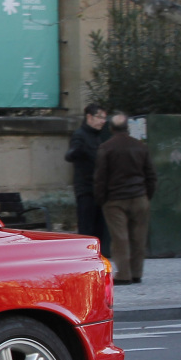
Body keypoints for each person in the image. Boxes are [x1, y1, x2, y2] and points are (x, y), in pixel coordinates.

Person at [94, 112, 157, 285]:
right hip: (139, 197)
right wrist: (146, 195)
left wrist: (101, 199)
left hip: (115, 199)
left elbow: (101, 177)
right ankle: (137, 273)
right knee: (139, 236)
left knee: (120, 238)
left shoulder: (106, 148)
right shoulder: (141, 147)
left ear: (111, 128)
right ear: (128, 127)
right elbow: (151, 175)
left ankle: (124, 274)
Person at [65, 104, 110, 252]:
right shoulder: (80, 135)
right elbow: (71, 154)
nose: (103, 121)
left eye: (104, 118)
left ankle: (97, 256)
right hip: (86, 188)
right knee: (87, 227)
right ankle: (85, 257)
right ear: (89, 117)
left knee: (99, 228)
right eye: (100, 117)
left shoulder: (97, 136)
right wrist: (75, 152)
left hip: (99, 188)